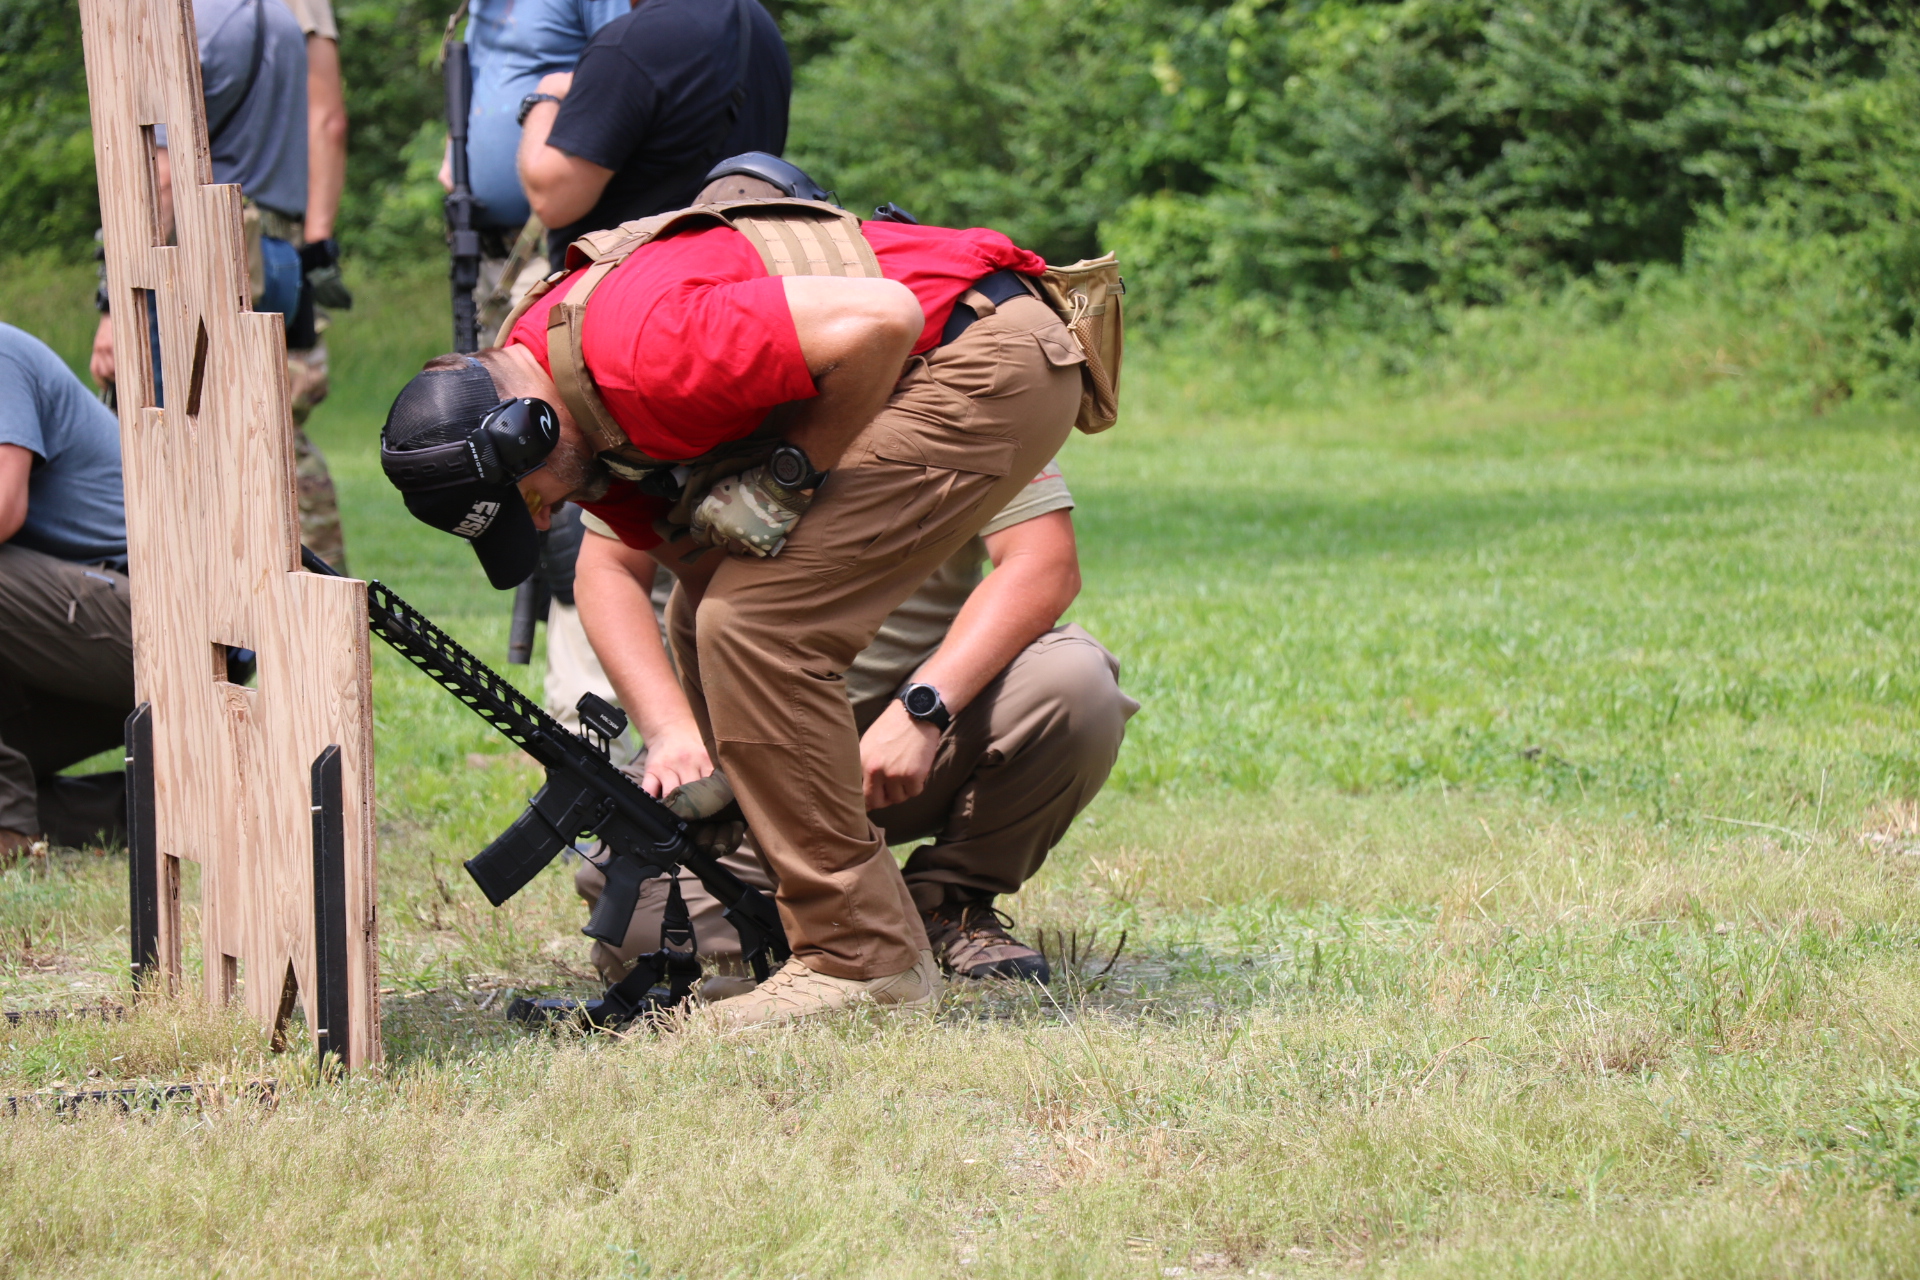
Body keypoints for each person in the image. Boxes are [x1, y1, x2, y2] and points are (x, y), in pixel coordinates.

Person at [376, 202, 1089, 1029]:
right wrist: (719, 768)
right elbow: (701, 574)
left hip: (982, 352)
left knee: (753, 626)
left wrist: (792, 472)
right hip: (951, 352)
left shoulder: (641, 351)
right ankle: (831, 923)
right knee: (708, 614)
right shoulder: (586, 421)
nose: (539, 522)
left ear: (527, 432)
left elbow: (885, 317)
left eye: (525, 501)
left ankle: (860, 958)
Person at [569, 456, 1137, 995]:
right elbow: (609, 566)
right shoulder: (699, 396)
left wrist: (924, 708)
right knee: (641, 935)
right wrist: (672, 729)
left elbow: (1043, 561)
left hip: (906, 746)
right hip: (737, 766)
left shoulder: (967, 397)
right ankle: (843, 922)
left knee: (1075, 684)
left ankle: (947, 903)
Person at [89, 0, 349, 570]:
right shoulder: (281, 19)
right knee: (271, 432)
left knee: (177, 446)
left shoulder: (187, 27)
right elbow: (328, 122)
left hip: (200, 254)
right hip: (275, 253)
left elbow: (159, 177)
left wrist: (114, 305)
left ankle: (193, 595)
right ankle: (318, 593)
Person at [516, 0, 789, 268]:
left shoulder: (630, 42)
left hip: (631, 283)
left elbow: (552, 202)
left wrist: (545, 97)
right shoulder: (756, 24)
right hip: (732, 272)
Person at [0, 325, 134, 859]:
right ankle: (200, 811)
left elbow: (4, 508)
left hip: (162, 621)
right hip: (70, 633)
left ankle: (7, 829)